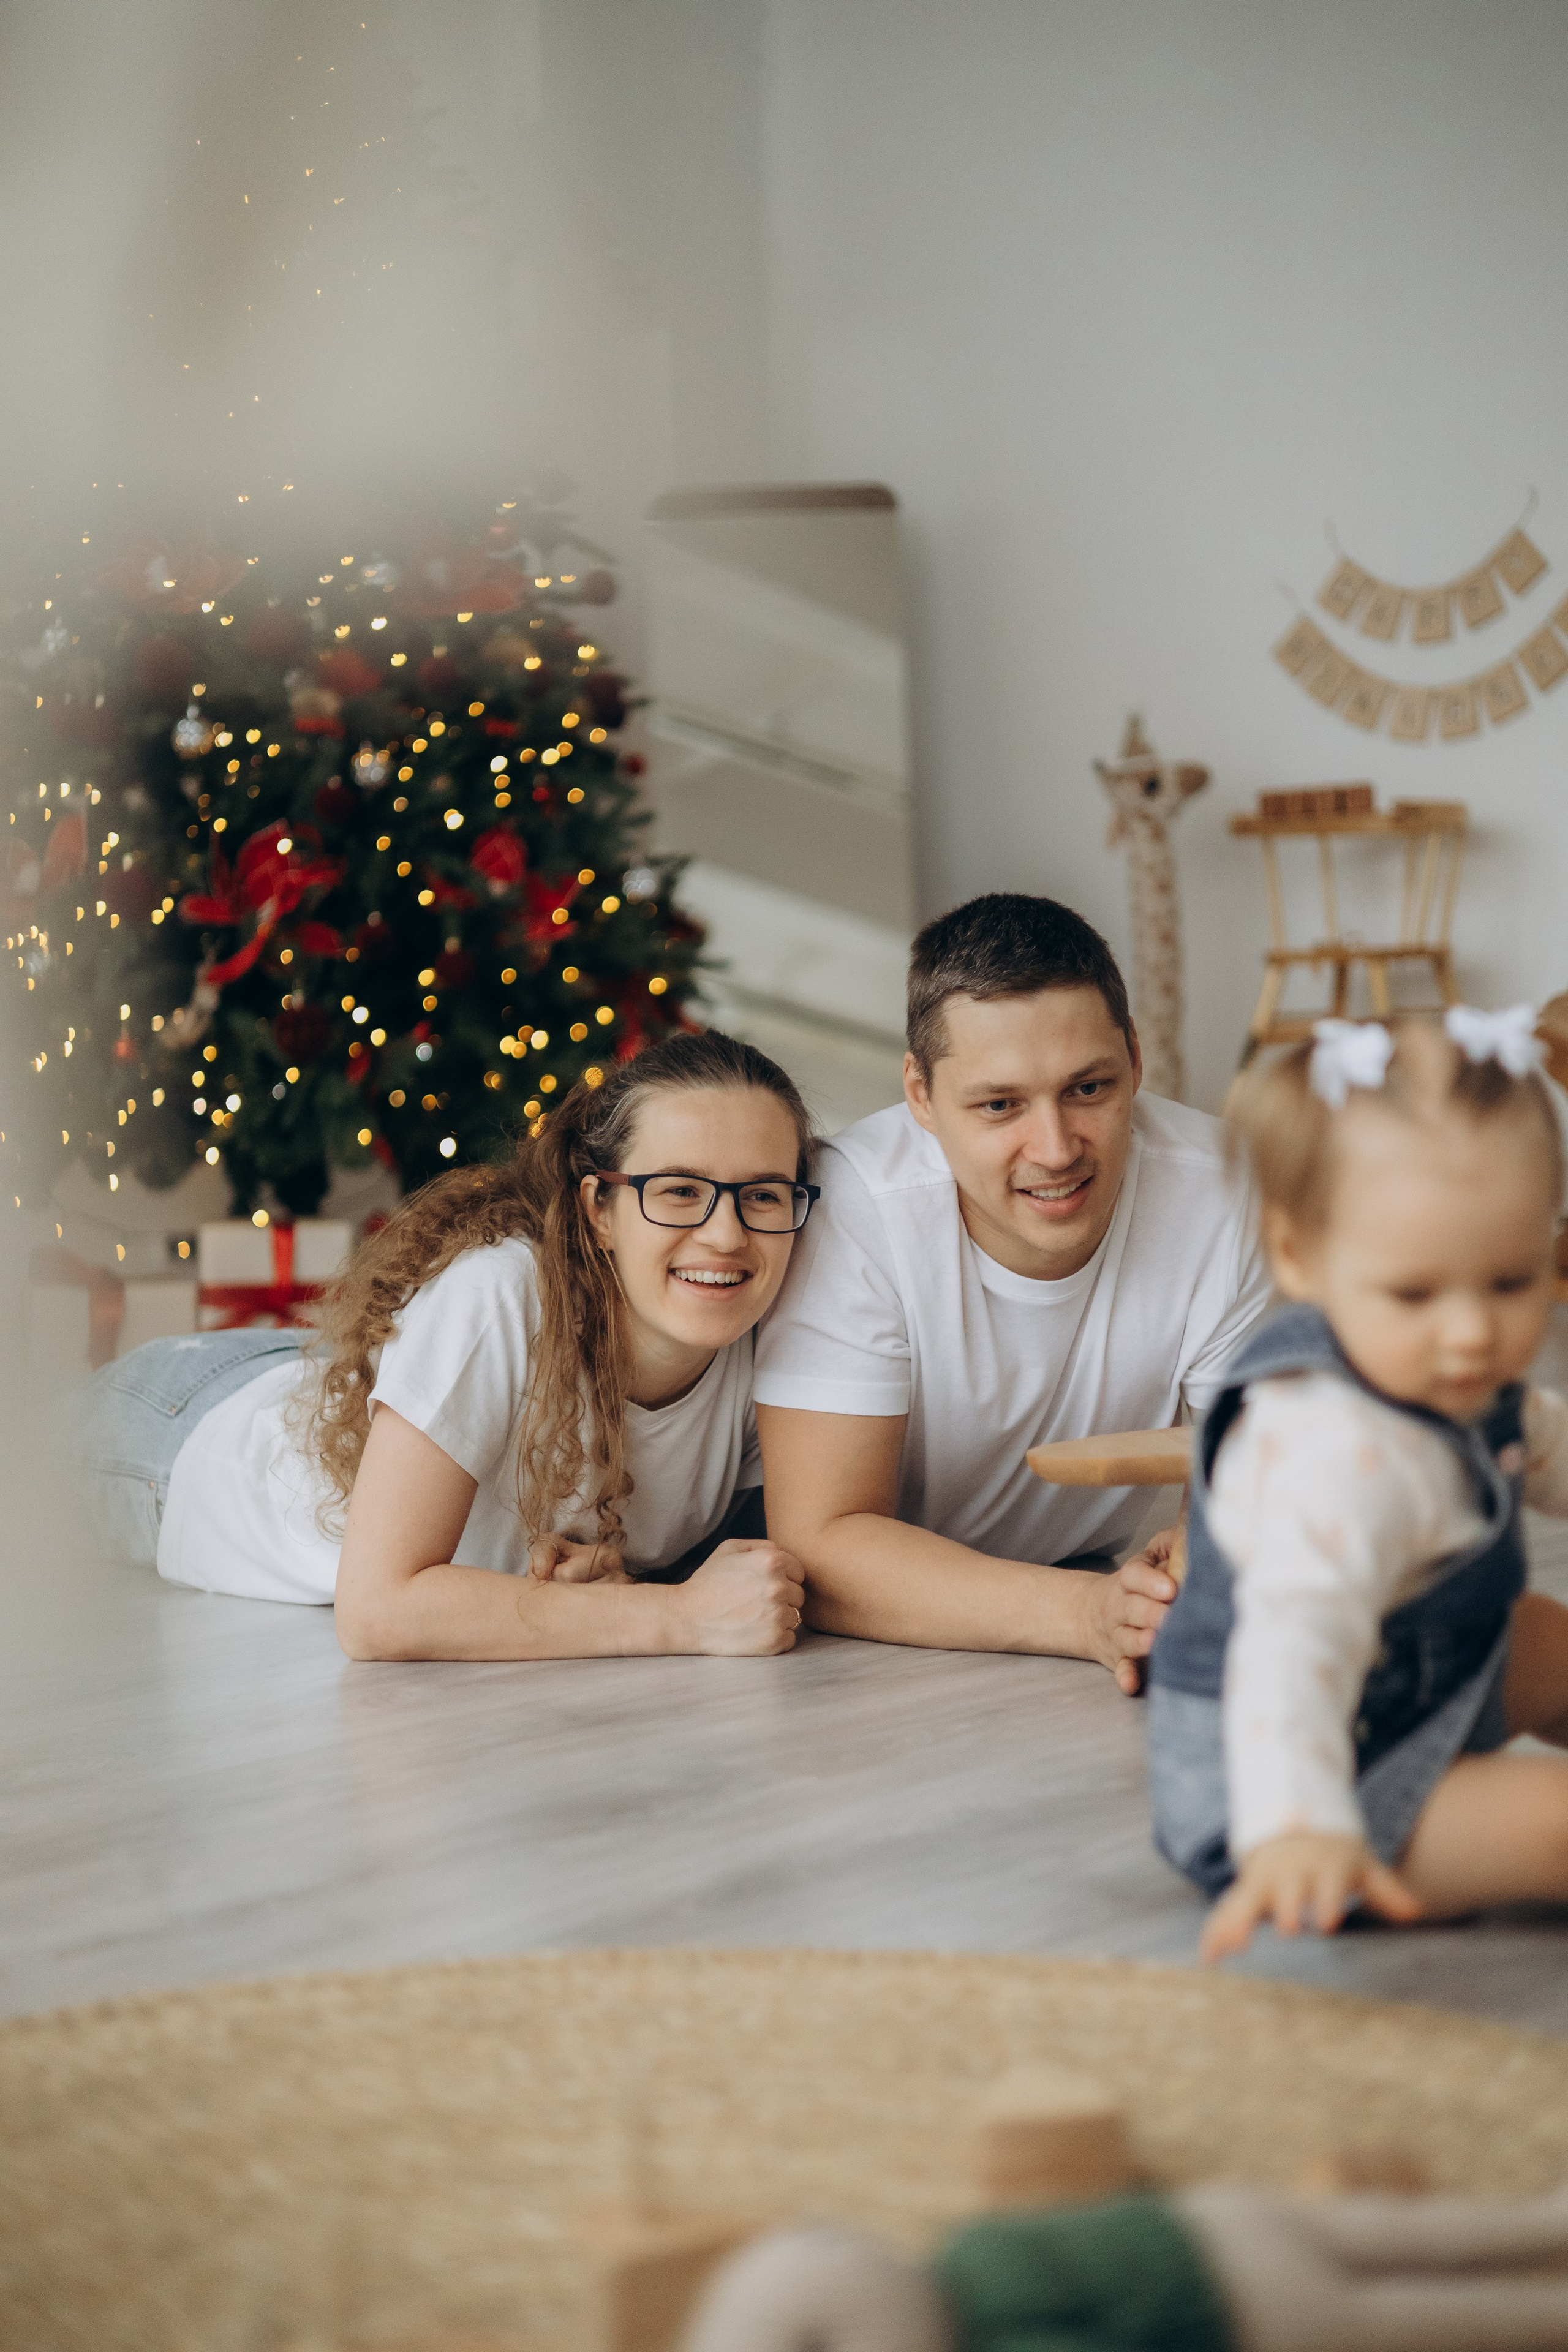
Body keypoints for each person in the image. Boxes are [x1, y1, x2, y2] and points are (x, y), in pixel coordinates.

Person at [76, 1031, 816, 1662]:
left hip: (305, 1373)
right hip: (182, 1448)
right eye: (680, 1190)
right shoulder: (501, 1294)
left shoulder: (773, 1335)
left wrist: (609, 1590)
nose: (726, 1235)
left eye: (762, 1195)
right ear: (600, 1208)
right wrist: (676, 1618)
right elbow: (378, 1610)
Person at [754, 894, 1272, 1686]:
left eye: (1089, 1089)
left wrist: (1198, 1560)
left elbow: (1247, 1466)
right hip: (834, 1653)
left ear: (1134, 1058)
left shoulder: (1222, 1188)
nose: (1057, 1148)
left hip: (1070, 1593)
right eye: (1000, 1105)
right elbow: (819, 1539)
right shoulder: (856, 1207)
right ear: (921, 1098)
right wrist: (1083, 1614)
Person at [1147, 1008, 1568, 1958]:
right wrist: (1300, 1826)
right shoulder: (1337, 1456)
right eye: (1416, 1294)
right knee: (1553, 1824)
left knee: (1544, 1634)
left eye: (1510, 1282)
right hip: (1288, 1783)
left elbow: (1546, 1443)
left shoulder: (1457, 1382)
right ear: (1299, 1256)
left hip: (1414, 1690)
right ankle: (1344, 1845)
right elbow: (1292, 1651)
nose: (1470, 1332)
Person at [679, 2186, 1568, 2352]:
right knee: (1410, 2232)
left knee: (1450, 2321)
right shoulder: (963, 2253)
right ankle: (1544, 2218)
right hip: (1213, 2217)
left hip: (1252, 2312)